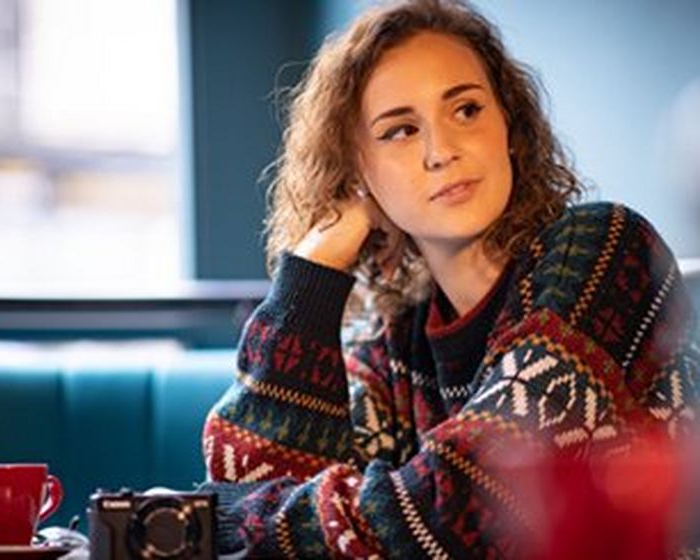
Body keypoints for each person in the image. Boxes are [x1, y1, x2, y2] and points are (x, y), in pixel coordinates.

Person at [199, 0, 700, 557]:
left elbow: (469, 505)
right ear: (356, 174)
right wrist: (309, 278)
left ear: (507, 124)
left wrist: (229, 524)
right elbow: (253, 485)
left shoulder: (603, 251)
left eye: (466, 110)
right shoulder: (396, 336)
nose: (443, 151)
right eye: (401, 130)